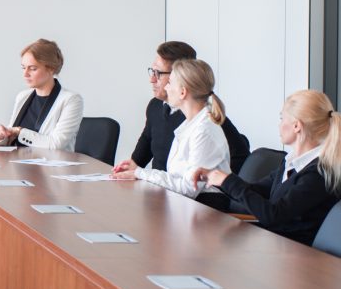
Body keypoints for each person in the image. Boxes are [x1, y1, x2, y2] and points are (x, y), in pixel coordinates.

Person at [191, 90, 341, 246]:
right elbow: (257, 191)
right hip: (274, 244)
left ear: (297, 126)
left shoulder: (318, 174)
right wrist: (217, 178)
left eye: (282, 118)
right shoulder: (291, 163)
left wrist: (227, 181)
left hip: (296, 256)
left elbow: (274, 215)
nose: (279, 125)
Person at [113, 41, 250, 175]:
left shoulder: (201, 117)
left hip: (188, 193)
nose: (152, 79)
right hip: (159, 188)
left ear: (181, 76)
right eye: (152, 72)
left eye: (158, 73)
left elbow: (240, 163)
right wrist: (130, 167)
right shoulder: (155, 106)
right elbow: (141, 153)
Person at [111, 59, 229, 197]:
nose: (166, 88)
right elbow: (174, 177)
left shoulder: (204, 131)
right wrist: (139, 173)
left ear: (182, 92)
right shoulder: (190, 125)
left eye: (170, 83)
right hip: (183, 206)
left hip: (206, 210)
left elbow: (189, 188)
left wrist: (140, 173)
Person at [0, 38, 83, 151]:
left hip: (51, 167)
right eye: (23, 68)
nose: (25, 74)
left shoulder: (71, 100)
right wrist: (1, 136)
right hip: (17, 165)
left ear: (51, 69)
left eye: (32, 68)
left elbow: (56, 144)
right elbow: (11, 139)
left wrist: (19, 131)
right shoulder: (22, 96)